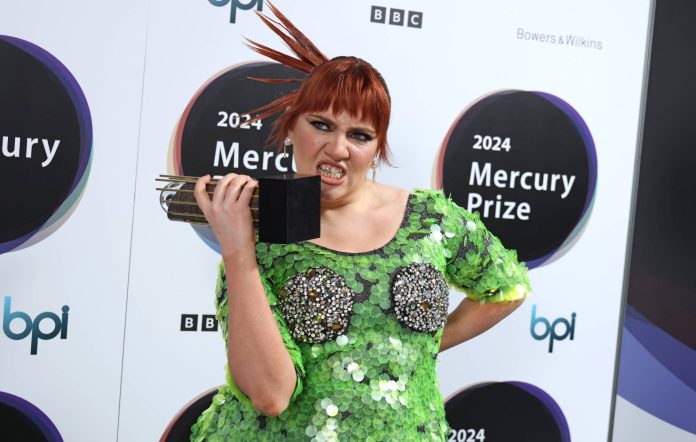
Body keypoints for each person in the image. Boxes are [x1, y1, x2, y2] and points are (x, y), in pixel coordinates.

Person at [190, 4, 530, 441]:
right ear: (291, 127)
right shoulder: (263, 229)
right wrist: (239, 254)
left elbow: (508, 288)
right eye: (321, 125)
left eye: (359, 135)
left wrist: (418, 347)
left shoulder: (430, 220)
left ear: (377, 147)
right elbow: (271, 395)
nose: (338, 149)